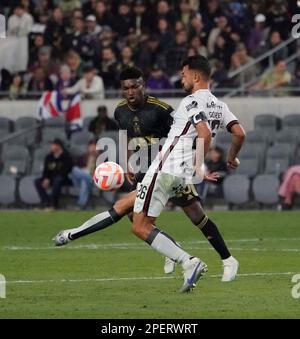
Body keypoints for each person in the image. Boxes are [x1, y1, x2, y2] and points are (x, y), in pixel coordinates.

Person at [54, 64, 245, 285]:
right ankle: (184, 254)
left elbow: (191, 134)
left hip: (166, 167)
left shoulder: (162, 109)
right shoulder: (120, 111)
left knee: (179, 217)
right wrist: (127, 164)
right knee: (134, 213)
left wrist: (197, 165)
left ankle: (191, 258)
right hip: (155, 170)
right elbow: (125, 134)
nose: (130, 92)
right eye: (126, 88)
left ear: (142, 86)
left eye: (134, 87)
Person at [131, 56, 245, 292]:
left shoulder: (191, 102)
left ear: (195, 76)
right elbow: (239, 133)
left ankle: (187, 262)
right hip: (179, 175)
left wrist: (197, 165)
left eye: (183, 75)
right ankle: (201, 260)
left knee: (139, 225)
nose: (181, 79)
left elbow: (205, 135)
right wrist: (231, 157)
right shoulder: (220, 106)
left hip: (165, 169)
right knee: (150, 221)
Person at [35, 139, 73, 210]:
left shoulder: (66, 157)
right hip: (51, 178)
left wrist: (50, 178)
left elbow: (65, 171)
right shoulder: (49, 157)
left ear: (58, 146)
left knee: (57, 180)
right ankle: (46, 202)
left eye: (53, 145)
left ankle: (54, 204)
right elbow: (46, 170)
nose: (51, 147)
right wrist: (46, 178)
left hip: (64, 178)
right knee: (37, 181)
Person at [69, 140, 98, 210]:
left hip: (94, 178)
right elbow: (77, 169)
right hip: (80, 178)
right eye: (91, 146)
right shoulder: (83, 156)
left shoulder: (101, 158)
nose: (93, 148)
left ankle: (81, 204)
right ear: (88, 147)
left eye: (95, 146)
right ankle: (88, 178)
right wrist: (84, 170)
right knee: (74, 169)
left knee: (84, 181)